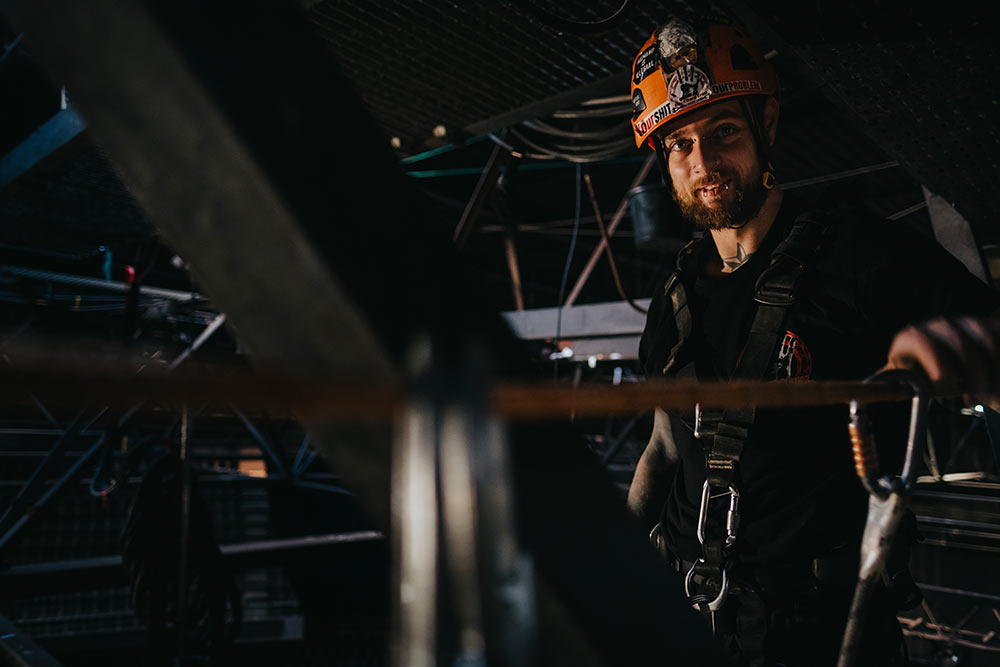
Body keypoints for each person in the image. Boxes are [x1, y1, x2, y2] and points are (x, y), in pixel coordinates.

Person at [625, 14, 1000, 666]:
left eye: (724, 132)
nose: (704, 162)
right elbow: (663, 445)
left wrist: (970, 355)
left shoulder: (861, 256)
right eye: (680, 144)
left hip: (822, 636)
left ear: (766, 125)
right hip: (683, 623)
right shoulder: (675, 294)